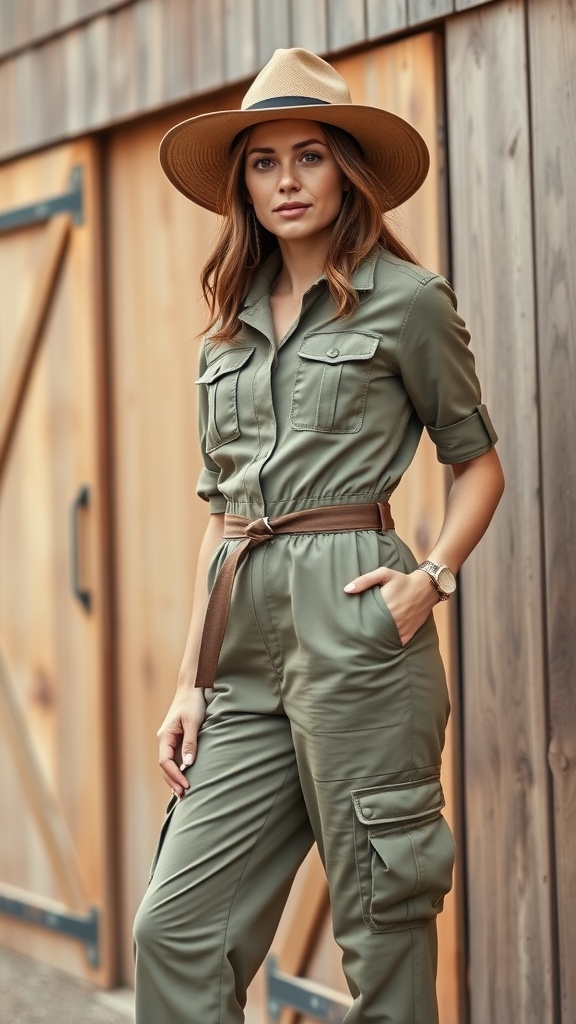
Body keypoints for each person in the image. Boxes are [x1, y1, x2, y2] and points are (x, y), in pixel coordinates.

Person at [133, 48, 504, 1024]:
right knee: (175, 929)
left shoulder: (408, 302)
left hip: (360, 638)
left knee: (382, 931)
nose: (285, 181)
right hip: (241, 658)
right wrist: (188, 681)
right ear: (242, 184)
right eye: (262, 162)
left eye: (308, 156)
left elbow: (478, 464)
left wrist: (430, 578)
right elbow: (222, 515)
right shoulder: (228, 331)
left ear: (347, 169)